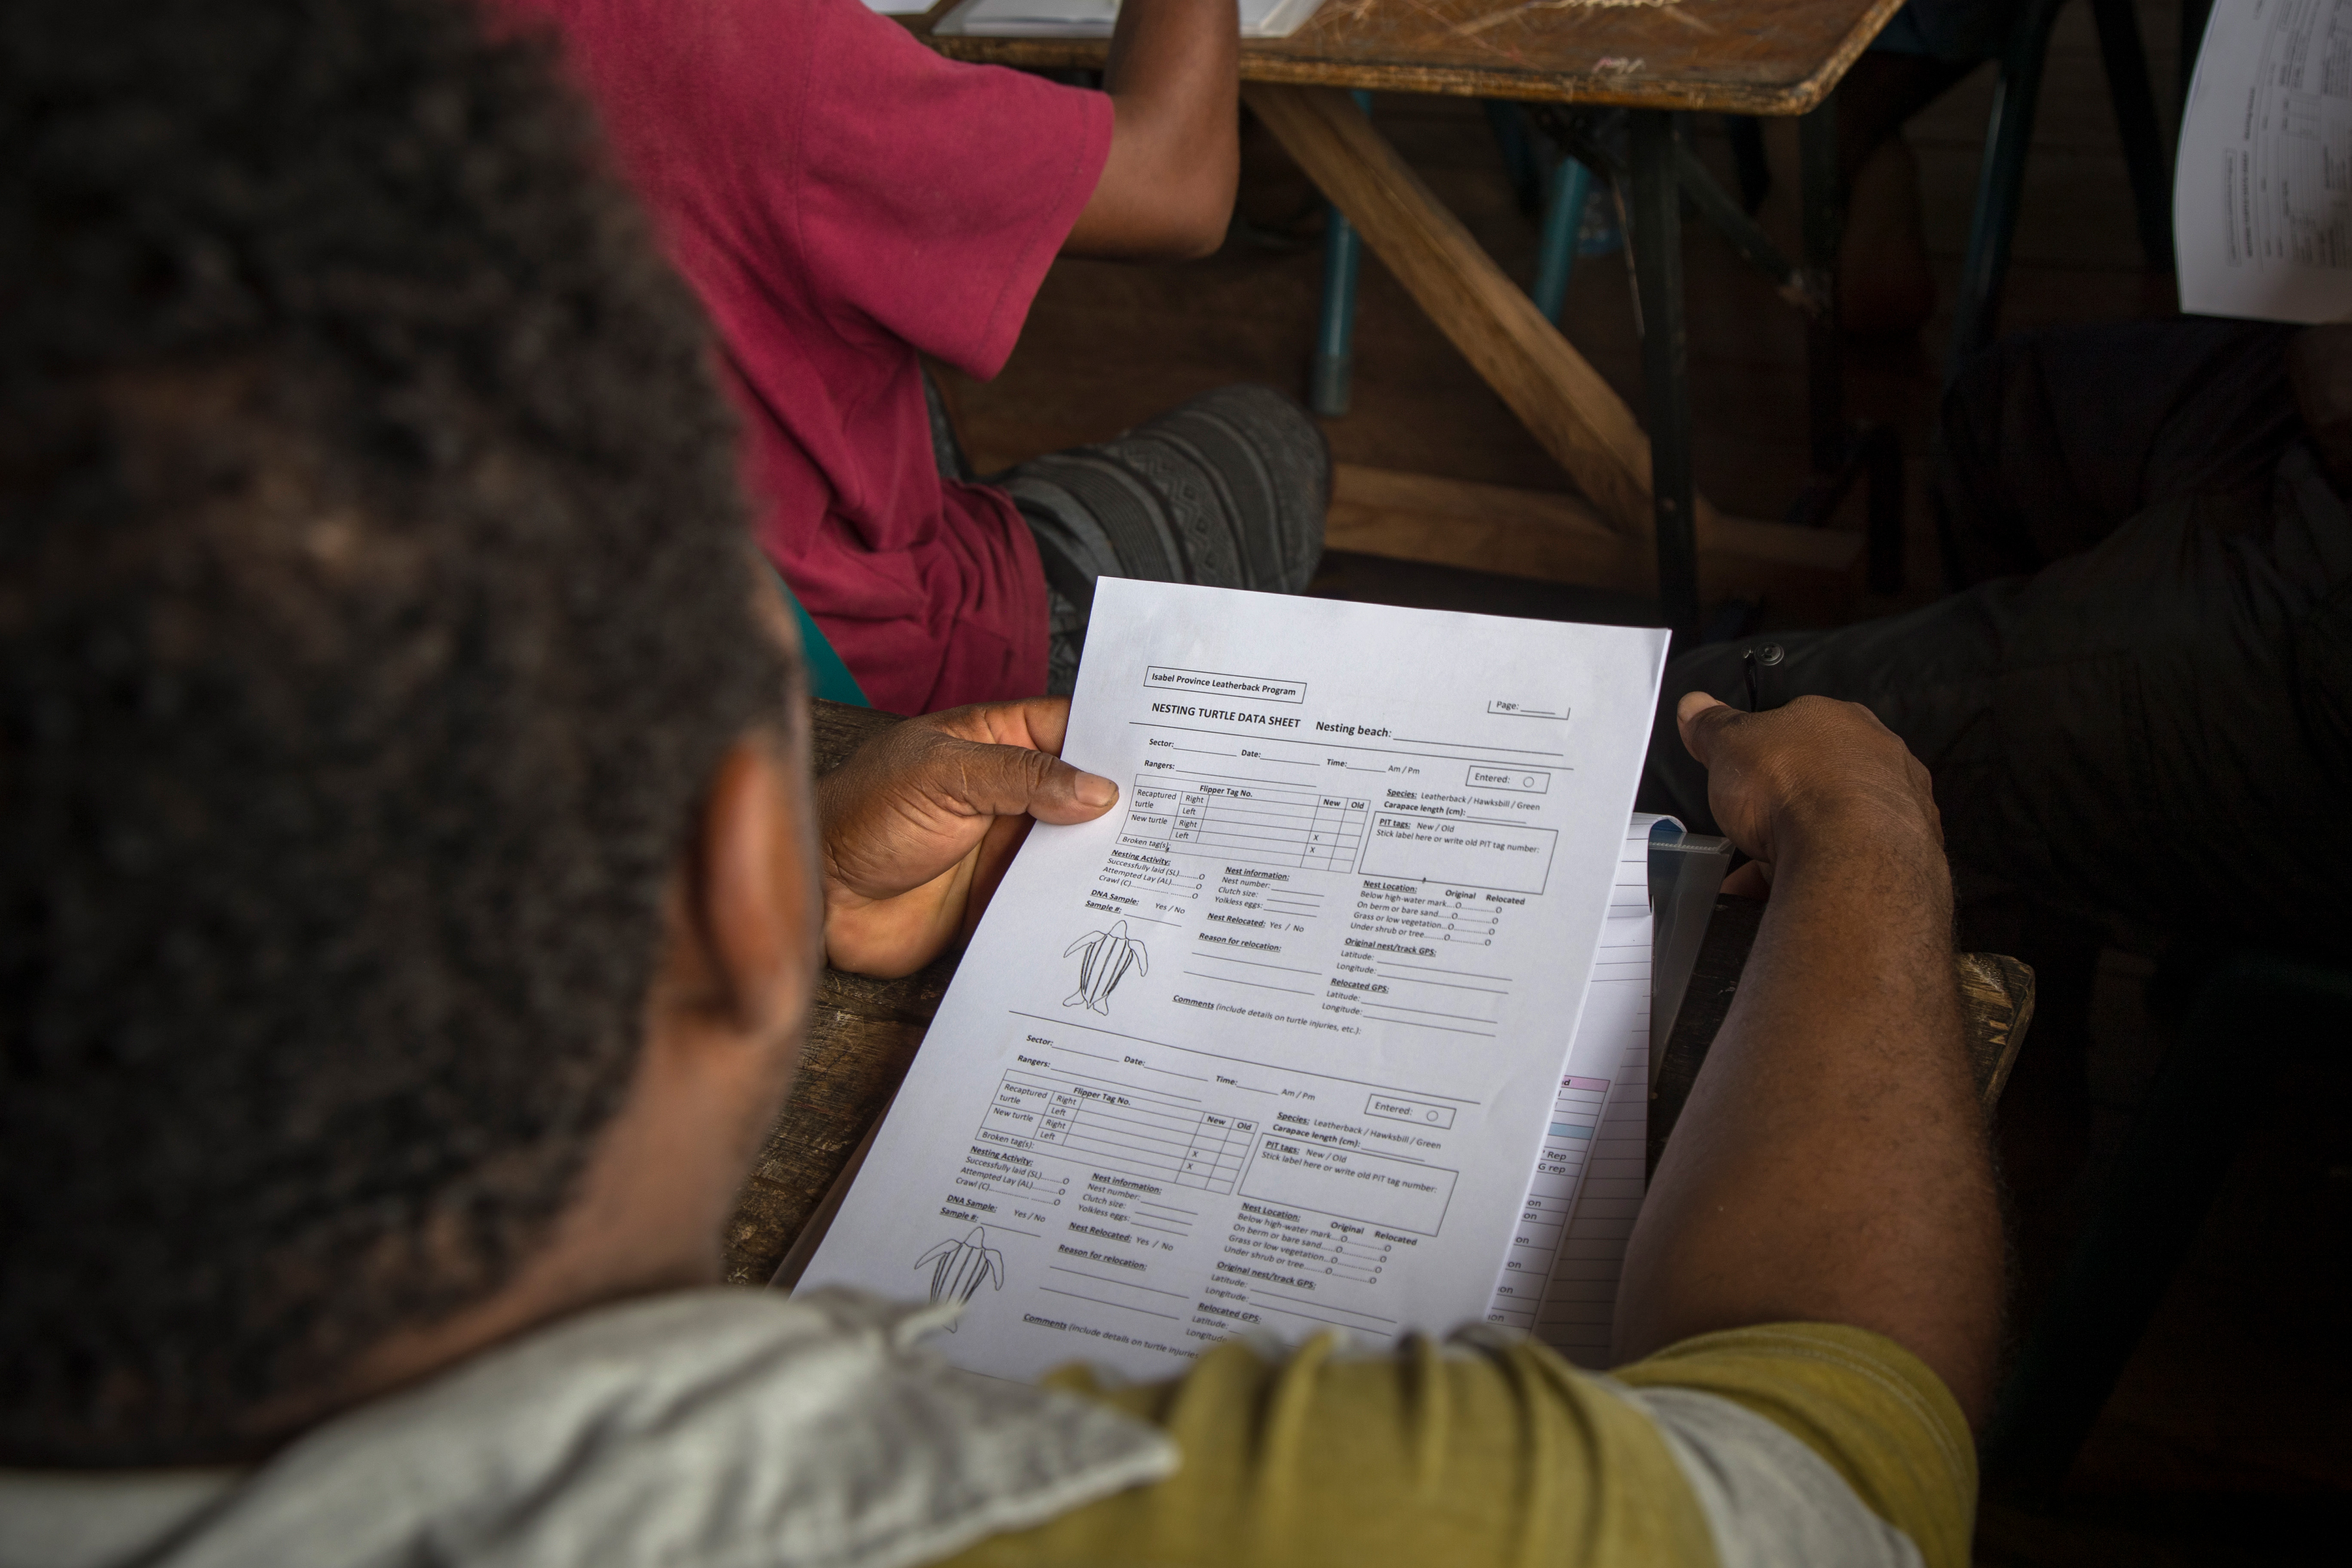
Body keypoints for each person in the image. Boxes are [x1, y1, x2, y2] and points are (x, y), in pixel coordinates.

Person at [1, 2, 1997, 1564]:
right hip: (929, 619)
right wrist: (1864, 836)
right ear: (735, 895)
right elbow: (1838, 1467)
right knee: (1254, 454)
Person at [490, 0, 1329, 713]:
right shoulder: (740, 41)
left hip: (509, 626)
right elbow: (1178, 185)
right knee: (1274, 441)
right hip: (837, 680)